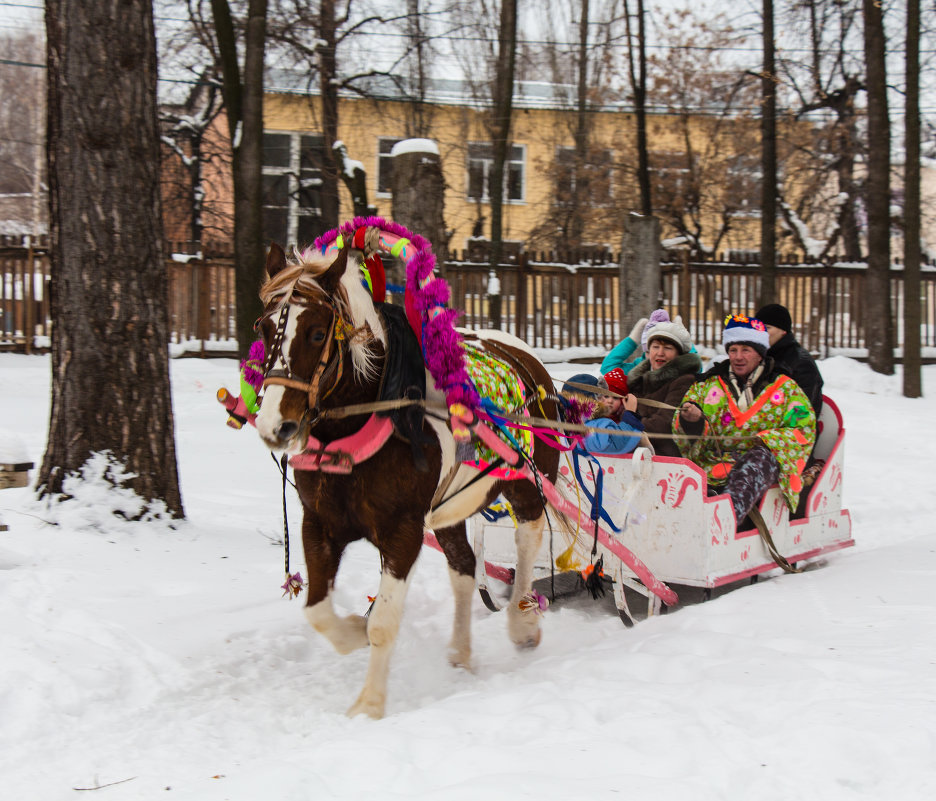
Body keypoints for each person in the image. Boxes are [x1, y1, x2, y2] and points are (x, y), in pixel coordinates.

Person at [673, 314, 816, 527]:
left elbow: (804, 428)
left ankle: (723, 522)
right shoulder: (707, 385)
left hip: (760, 466)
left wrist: (767, 441)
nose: (738, 357)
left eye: (746, 350)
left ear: (759, 354)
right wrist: (691, 421)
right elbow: (681, 428)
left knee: (759, 460)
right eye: (733, 350)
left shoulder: (784, 387)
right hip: (713, 462)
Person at [616, 311, 702, 458]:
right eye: (655, 347)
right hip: (634, 454)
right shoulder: (638, 381)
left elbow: (662, 426)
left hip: (665, 459)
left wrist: (628, 419)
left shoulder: (683, 381)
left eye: (668, 348)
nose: (660, 353)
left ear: (678, 354)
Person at [755, 303, 824, 417]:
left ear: (783, 331)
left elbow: (803, 410)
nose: (761, 332)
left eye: (767, 328)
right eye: (757, 327)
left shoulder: (800, 362)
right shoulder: (758, 357)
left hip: (795, 427)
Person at [560, 373, 645, 456]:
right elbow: (618, 444)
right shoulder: (593, 427)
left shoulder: (569, 423)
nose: (606, 400)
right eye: (599, 396)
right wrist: (630, 414)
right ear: (584, 402)